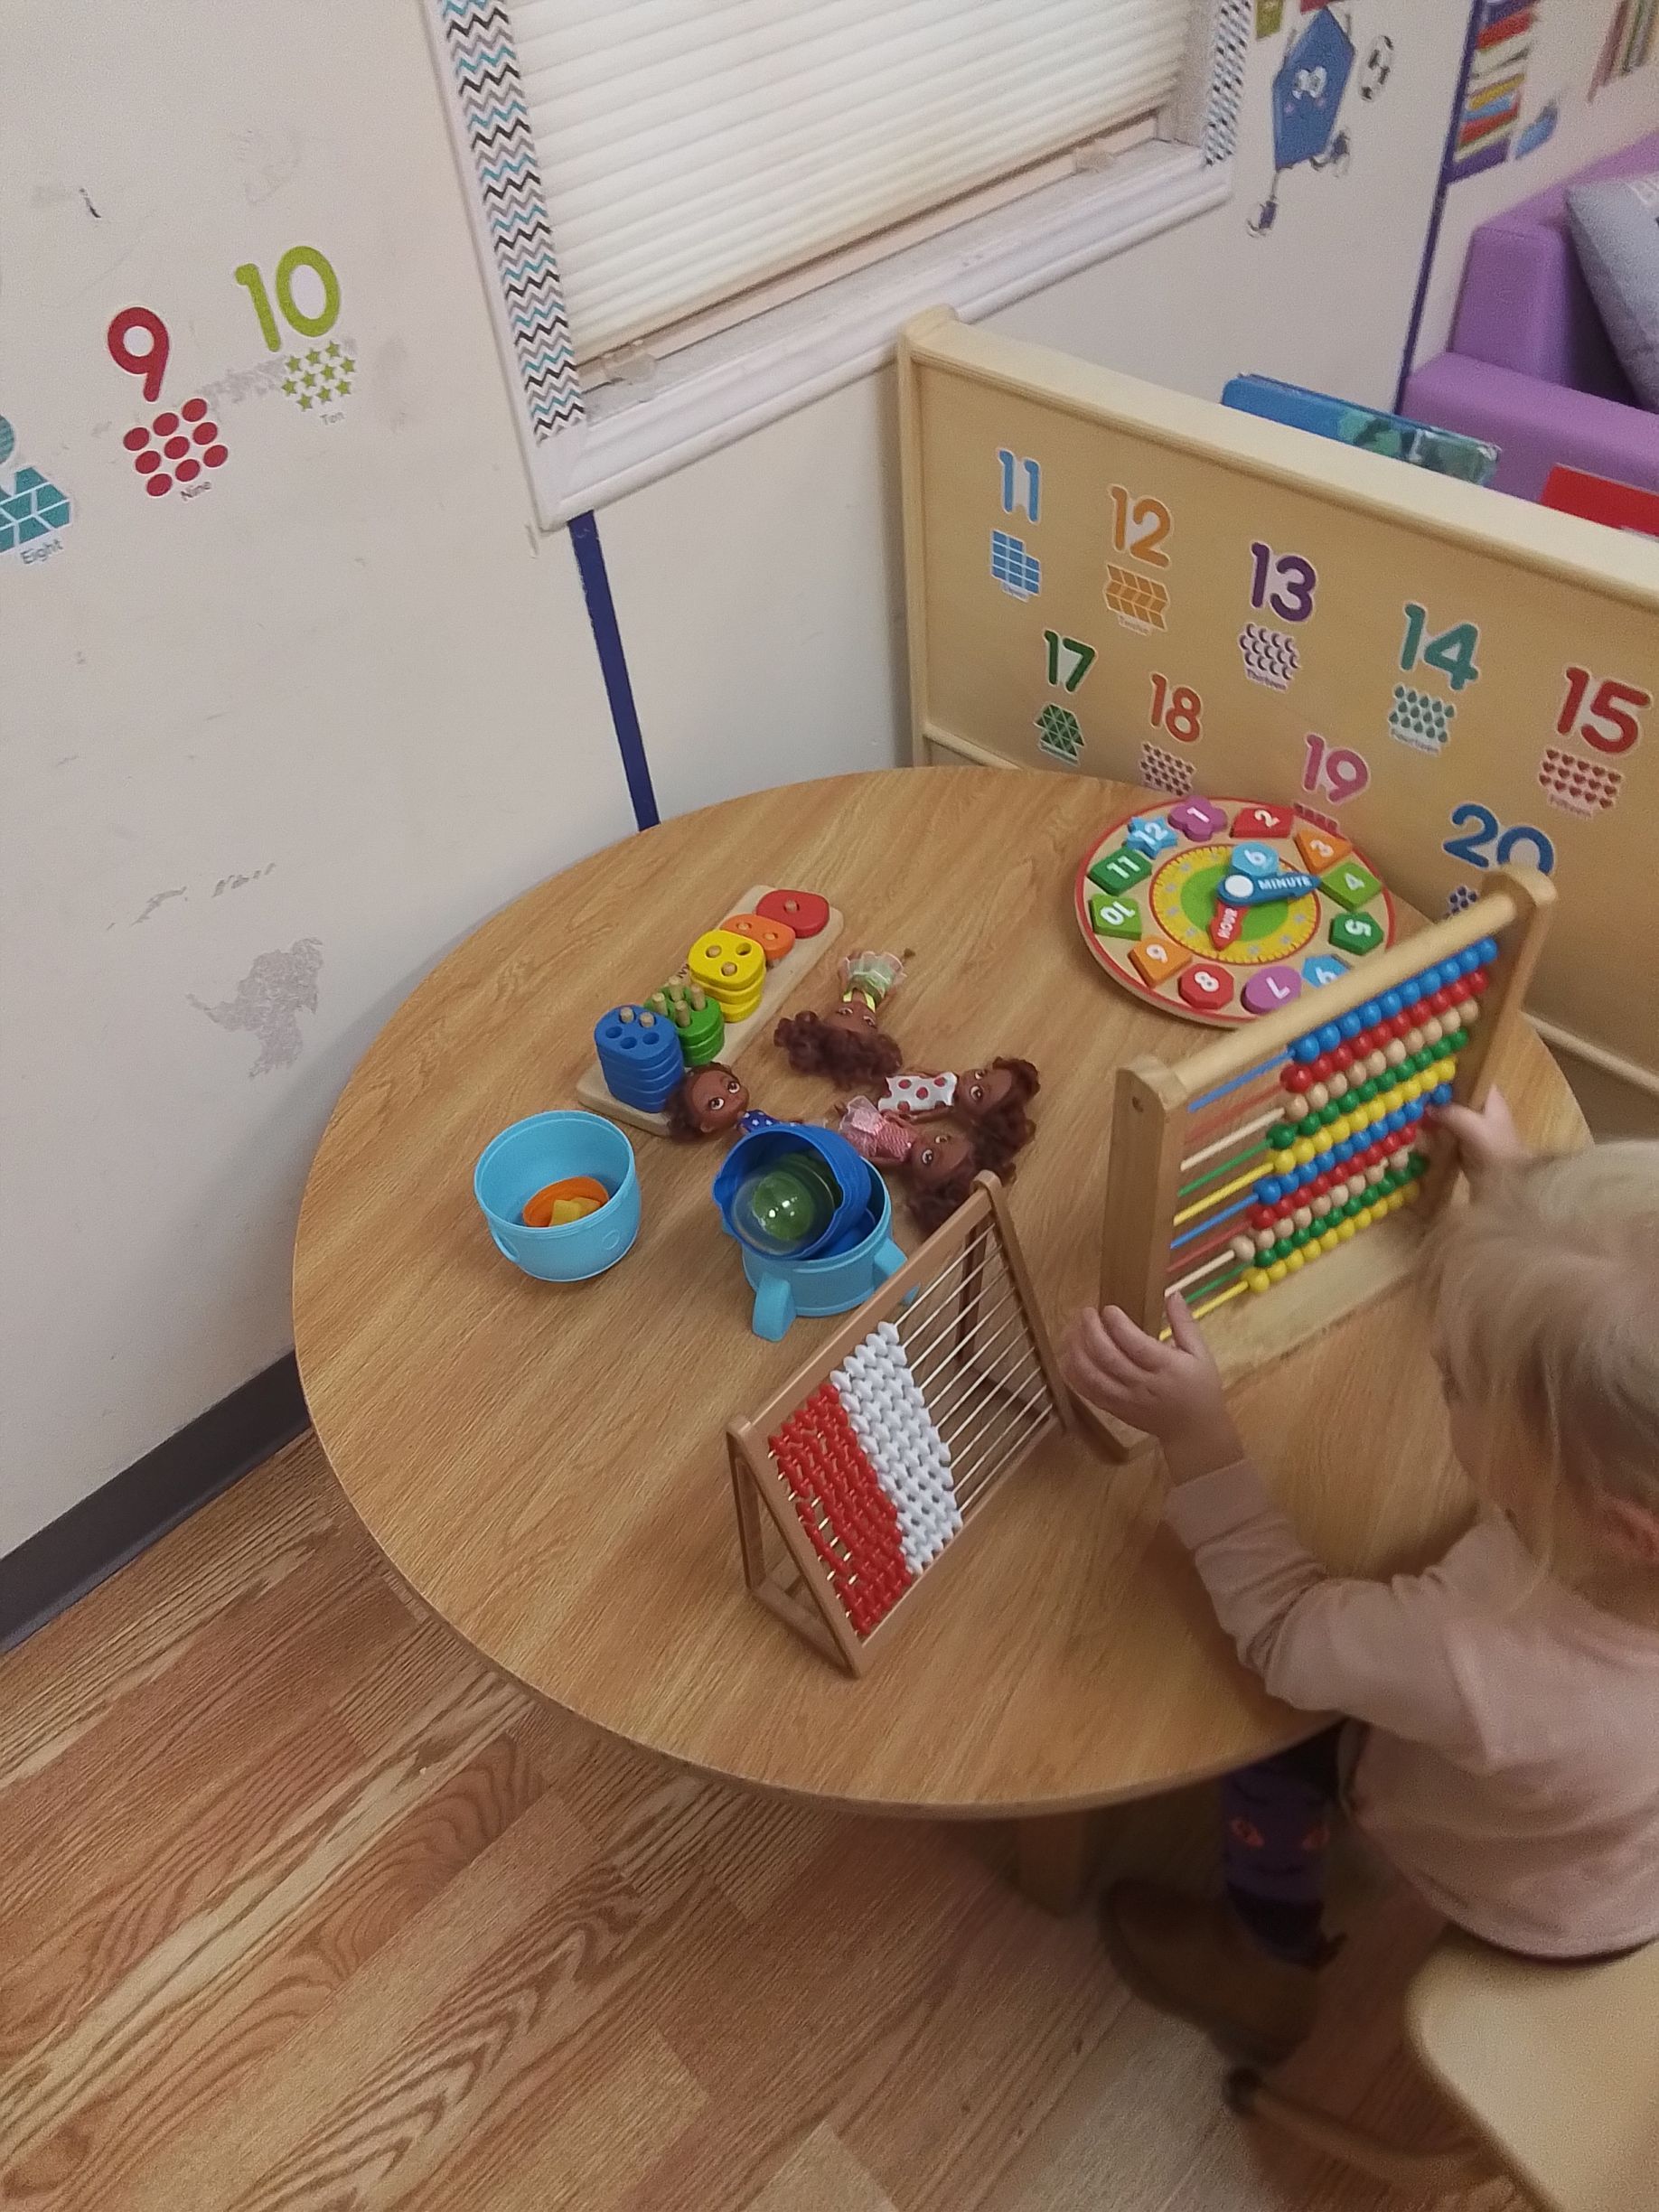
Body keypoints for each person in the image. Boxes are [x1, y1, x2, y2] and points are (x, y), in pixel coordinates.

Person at [1063, 1092, 1659, 2065]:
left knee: (1267, 1740)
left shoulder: (1475, 1651)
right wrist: (1520, 1202)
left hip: (1526, 1890)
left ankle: (1263, 1956)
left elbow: (1287, 1639)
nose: (1441, 1371)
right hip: (1627, 1844)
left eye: (1457, 1384)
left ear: (1617, 1526)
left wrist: (1198, 1437)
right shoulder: (1622, 1527)